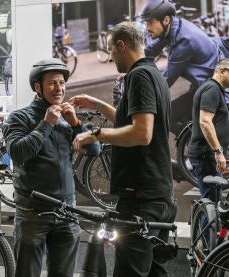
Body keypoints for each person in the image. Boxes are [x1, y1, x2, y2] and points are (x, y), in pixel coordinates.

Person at [69, 21, 177, 277]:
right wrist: (98, 105)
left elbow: (141, 133)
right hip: (158, 195)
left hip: (141, 199)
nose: (109, 57)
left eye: (110, 50)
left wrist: (95, 135)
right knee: (152, 272)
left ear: (121, 45)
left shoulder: (138, 76)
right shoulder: (154, 73)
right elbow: (134, 120)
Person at [2, 58, 100, 277]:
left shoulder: (68, 119)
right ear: (37, 87)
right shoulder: (18, 118)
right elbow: (18, 153)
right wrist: (46, 124)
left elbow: (96, 151)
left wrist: (76, 124)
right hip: (32, 214)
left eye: (62, 83)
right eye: (52, 83)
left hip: (67, 213)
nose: (59, 88)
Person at [141, 0, 228, 135]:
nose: (147, 28)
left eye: (150, 22)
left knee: (164, 115)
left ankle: (196, 143)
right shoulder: (173, 27)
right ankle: (194, 139)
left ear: (165, 20)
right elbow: (151, 49)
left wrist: (140, 94)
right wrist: (130, 61)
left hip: (211, 91)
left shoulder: (184, 42)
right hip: (205, 85)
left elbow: (165, 81)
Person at [188, 59, 229, 202]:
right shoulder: (211, 89)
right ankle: (205, 225)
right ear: (221, 71)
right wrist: (218, 152)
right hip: (206, 156)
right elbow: (205, 122)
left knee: (214, 201)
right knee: (212, 202)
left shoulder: (216, 90)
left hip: (208, 156)